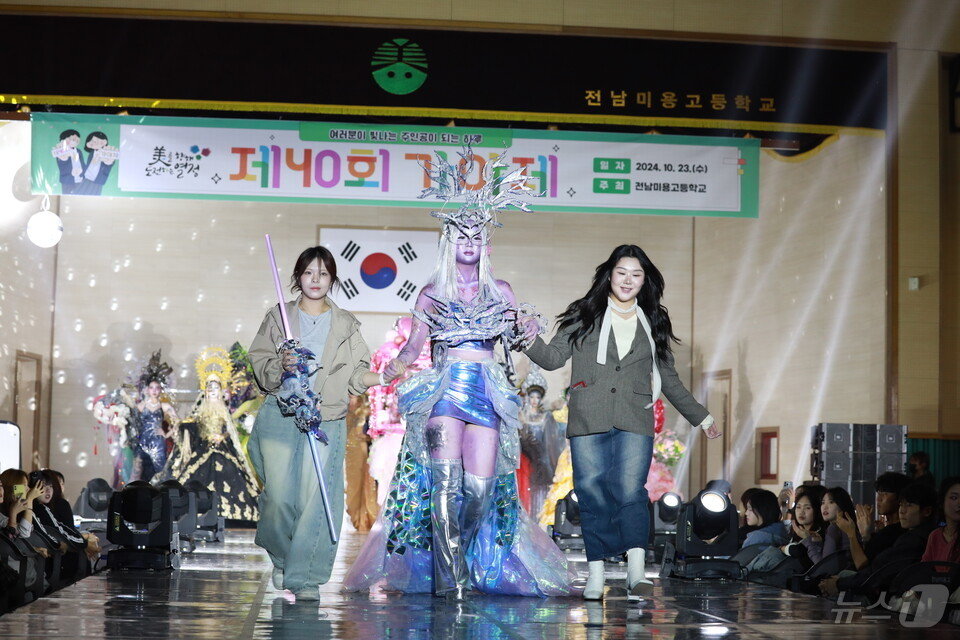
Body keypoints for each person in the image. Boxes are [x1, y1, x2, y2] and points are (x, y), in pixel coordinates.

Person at [343, 151, 575, 600]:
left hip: (487, 392)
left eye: (477, 235)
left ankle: (461, 558)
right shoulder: (431, 293)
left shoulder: (501, 290)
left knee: (480, 490)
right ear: (449, 241)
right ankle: (452, 583)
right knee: (445, 489)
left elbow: (517, 337)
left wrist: (528, 328)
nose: (469, 241)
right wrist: (378, 373)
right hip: (444, 391)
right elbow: (413, 350)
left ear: (485, 243)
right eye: (461, 234)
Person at [522, 244, 720, 600]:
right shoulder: (585, 315)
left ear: (645, 280)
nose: (628, 280)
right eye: (621, 273)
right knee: (591, 494)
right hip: (588, 416)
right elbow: (552, 358)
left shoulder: (654, 320)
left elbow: (669, 379)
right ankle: (596, 574)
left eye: (636, 274)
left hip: (634, 417)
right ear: (609, 275)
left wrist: (701, 417)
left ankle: (636, 571)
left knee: (631, 492)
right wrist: (525, 337)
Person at [248, 245, 399, 601]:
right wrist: (280, 365)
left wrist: (384, 376)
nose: (316, 280)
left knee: (315, 501)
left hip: (325, 419)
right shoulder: (278, 317)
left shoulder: (345, 323)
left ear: (332, 279)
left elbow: (358, 373)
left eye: (324, 273)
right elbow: (260, 361)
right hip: (282, 417)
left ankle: (306, 579)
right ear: (298, 277)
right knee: (279, 500)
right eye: (309, 273)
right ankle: (282, 558)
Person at [163, 348, 260, 521]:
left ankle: (230, 513)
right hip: (204, 447)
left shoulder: (224, 410)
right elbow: (193, 424)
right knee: (195, 474)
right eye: (210, 387)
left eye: (216, 387)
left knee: (230, 470)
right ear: (205, 390)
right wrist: (184, 425)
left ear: (221, 389)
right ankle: (197, 510)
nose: (212, 390)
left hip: (222, 448)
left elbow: (230, 429)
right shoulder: (201, 409)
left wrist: (222, 437)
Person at [820, 482, 938, 598]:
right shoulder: (908, 534)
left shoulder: (912, 540)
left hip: (882, 597)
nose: (902, 510)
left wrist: (839, 583)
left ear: (927, 511)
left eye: (909, 505)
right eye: (901, 504)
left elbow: (873, 574)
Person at [517, 367, 564, 519]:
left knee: (538, 497)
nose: (534, 400)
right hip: (522, 462)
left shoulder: (545, 418)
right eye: (532, 397)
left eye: (538, 397)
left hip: (540, 464)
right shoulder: (520, 416)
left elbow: (551, 444)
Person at [134, 352, 179, 482]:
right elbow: (133, 424)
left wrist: (167, 434)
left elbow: (178, 422)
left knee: (160, 471)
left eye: (157, 388)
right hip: (143, 442)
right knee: (142, 474)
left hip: (158, 443)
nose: (154, 391)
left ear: (161, 390)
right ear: (147, 389)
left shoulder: (164, 406)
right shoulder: (140, 406)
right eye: (151, 388)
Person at [921, 476, 960, 563]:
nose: (959, 503)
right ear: (942, 502)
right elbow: (924, 568)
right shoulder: (935, 536)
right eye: (954, 498)